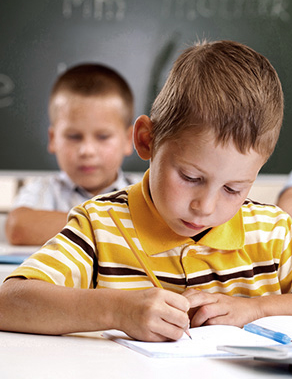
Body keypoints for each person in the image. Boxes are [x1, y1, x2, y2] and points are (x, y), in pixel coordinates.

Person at [0, 40, 290, 343]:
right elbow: (8, 302)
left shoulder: (273, 234)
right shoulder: (101, 227)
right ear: (145, 140)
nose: (205, 206)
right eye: (190, 177)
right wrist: (116, 311)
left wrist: (257, 309)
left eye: (233, 188)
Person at [5, 63, 139, 246]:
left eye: (103, 137)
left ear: (127, 139)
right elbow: (18, 228)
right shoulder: (45, 190)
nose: (87, 150)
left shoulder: (142, 193)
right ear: (53, 139)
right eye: (74, 137)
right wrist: (113, 228)